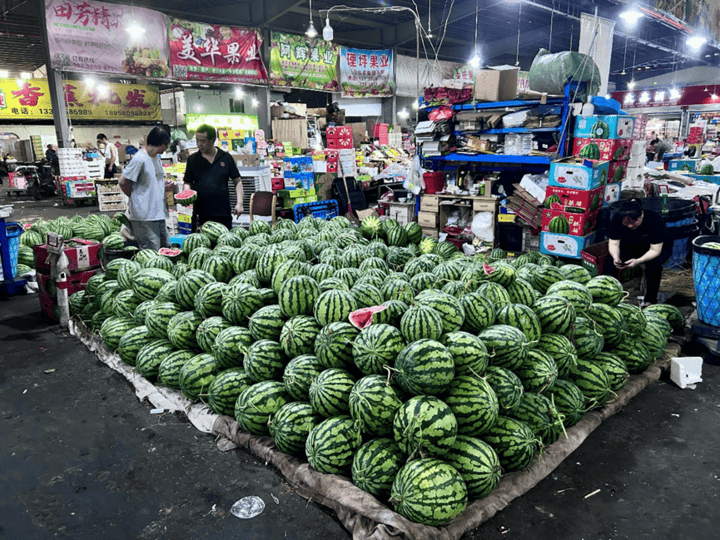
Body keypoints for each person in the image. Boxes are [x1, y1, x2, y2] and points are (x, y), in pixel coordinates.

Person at [606, 199, 673, 308]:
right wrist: (615, 257)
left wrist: (638, 261)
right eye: (626, 223)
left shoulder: (654, 220)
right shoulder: (617, 218)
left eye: (634, 222)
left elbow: (655, 250)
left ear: (641, 214)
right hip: (631, 244)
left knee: (654, 265)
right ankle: (608, 293)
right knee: (609, 260)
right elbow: (614, 244)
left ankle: (650, 300)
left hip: (656, 248)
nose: (631, 226)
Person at [118, 127, 171, 251]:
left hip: (158, 213)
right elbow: (122, 181)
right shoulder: (140, 159)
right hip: (144, 215)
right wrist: (133, 196)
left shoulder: (156, 158)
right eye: (167, 144)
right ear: (162, 143)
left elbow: (152, 180)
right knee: (151, 251)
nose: (167, 148)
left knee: (165, 248)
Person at [182, 124, 242, 232]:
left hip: (222, 213)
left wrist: (240, 203)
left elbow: (237, 181)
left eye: (203, 141)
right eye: (197, 140)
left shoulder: (226, 158)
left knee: (225, 246)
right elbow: (187, 182)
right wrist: (186, 193)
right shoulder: (192, 159)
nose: (200, 144)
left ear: (213, 140)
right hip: (200, 214)